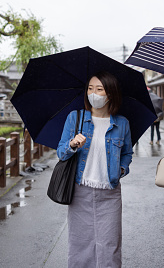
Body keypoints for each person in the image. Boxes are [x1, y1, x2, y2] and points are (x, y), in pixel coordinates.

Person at [56, 71, 133, 268]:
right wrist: (72, 145)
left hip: (110, 193)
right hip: (80, 190)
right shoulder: (75, 118)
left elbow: (127, 153)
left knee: (110, 245)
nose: (94, 94)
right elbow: (61, 153)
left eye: (100, 89)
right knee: (80, 244)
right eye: (90, 88)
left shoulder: (122, 123)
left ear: (110, 94)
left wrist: (121, 170)